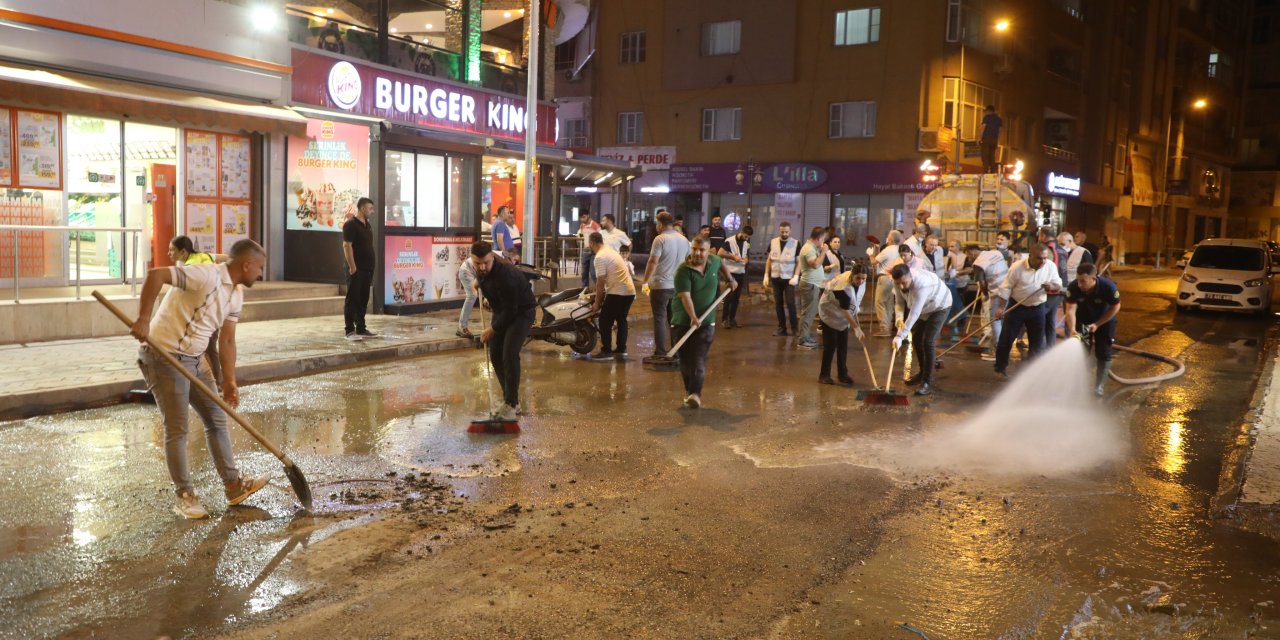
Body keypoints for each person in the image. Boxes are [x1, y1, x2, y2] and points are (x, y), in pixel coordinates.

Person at [131, 239, 270, 519]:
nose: (261, 273)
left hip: (196, 360)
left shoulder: (236, 294)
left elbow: (227, 340)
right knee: (178, 427)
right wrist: (144, 319)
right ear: (246, 264)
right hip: (163, 355)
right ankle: (185, 496)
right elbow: (157, 275)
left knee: (216, 418)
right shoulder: (205, 275)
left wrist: (229, 381)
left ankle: (233, 486)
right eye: (259, 267)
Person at [472, 240, 537, 420]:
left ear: (492, 257)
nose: (482, 266)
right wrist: (479, 284)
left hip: (521, 312)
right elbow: (484, 280)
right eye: (478, 263)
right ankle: (511, 400)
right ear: (473, 260)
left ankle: (510, 403)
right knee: (495, 355)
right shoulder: (481, 270)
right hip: (501, 310)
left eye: (486, 262)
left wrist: (491, 330)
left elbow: (511, 312)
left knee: (509, 353)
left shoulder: (507, 275)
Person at [671, 235, 737, 409]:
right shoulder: (682, 271)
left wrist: (730, 279)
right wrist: (693, 317)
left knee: (698, 358)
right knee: (685, 360)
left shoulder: (714, 260)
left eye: (702, 250)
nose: (697, 253)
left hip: (706, 322)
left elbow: (721, 263)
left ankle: (695, 394)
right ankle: (689, 392)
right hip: (682, 321)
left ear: (709, 251)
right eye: (694, 249)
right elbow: (685, 297)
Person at [992, 243, 1063, 380]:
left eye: (1044, 258)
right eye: (1039, 258)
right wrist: (1001, 307)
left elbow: (1058, 283)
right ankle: (1000, 368)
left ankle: (1033, 372)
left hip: (1038, 307)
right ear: (1030, 256)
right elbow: (1006, 288)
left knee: (1037, 342)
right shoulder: (1017, 267)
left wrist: (1051, 286)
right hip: (1017, 306)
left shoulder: (1050, 266)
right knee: (1006, 339)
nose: (1042, 261)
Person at [167, 236, 229, 386]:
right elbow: (227, 257)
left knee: (204, 349)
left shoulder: (190, 267)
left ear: (182, 252)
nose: (168, 254)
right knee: (210, 348)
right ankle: (216, 381)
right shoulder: (203, 256)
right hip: (215, 309)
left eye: (171, 250)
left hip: (205, 314)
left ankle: (214, 383)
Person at [891, 263, 953, 396]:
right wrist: (899, 318)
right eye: (898, 283)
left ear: (910, 277)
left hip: (939, 306)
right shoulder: (897, 282)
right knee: (917, 339)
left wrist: (900, 336)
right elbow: (899, 303)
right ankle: (922, 372)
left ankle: (927, 381)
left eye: (904, 283)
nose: (901, 286)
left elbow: (914, 313)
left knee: (928, 341)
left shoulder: (922, 284)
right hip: (923, 308)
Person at [1064, 262, 1122, 396]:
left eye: (1083, 281)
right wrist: (1072, 329)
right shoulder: (1074, 287)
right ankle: (1079, 384)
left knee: (1103, 352)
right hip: (1083, 321)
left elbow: (1115, 307)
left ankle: (1099, 386)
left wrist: (1097, 324)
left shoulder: (1108, 287)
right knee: (1081, 352)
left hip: (1105, 321)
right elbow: (1070, 309)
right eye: (1078, 280)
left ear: (1093, 279)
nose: (1079, 284)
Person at [642, 211, 690, 356]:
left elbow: (653, 261)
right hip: (677, 286)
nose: (656, 226)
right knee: (674, 320)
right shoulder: (684, 240)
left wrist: (645, 281)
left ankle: (661, 351)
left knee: (659, 319)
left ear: (661, 224)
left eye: (657, 223)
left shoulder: (660, 239)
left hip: (660, 286)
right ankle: (676, 350)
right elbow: (689, 263)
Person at [589, 231, 636, 361]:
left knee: (605, 319)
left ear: (592, 243)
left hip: (618, 292)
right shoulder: (611, 251)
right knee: (621, 319)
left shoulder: (600, 257)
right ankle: (621, 349)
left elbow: (600, 282)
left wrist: (597, 303)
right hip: (630, 291)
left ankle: (606, 351)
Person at [817, 265, 868, 386]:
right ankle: (824, 375)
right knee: (830, 346)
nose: (861, 281)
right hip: (830, 313)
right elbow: (845, 310)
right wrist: (856, 328)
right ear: (852, 275)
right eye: (858, 278)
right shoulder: (842, 286)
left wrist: (856, 319)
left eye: (863, 279)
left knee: (843, 346)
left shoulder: (860, 282)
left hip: (843, 317)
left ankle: (842, 374)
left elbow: (853, 303)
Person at [343, 197, 377, 341]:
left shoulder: (367, 225)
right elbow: (346, 246)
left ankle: (361, 328)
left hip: (368, 269)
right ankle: (350, 330)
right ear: (362, 209)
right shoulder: (351, 225)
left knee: (363, 299)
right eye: (370, 208)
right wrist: (352, 267)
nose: (372, 211)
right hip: (357, 269)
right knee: (353, 299)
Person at [795, 226, 831, 349]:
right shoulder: (808, 249)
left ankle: (806, 335)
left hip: (813, 285)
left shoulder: (812, 247)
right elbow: (815, 264)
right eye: (823, 239)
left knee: (810, 313)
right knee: (807, 313)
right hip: (809, 285)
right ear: (819, 238)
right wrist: (824, 251)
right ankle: (802, 339)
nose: (824, 242)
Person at [763, 221, 800, 337]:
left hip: (789, 279)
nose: (784, 233)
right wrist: (766, 274)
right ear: (779, 230)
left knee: (790, 303)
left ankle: (795, 329)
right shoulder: (773, 242)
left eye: (786, 232)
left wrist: (796, 276)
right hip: (775, 278)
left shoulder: (795, 243)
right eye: (782, 231)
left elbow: (799, 262)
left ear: (790, 231)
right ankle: (781, 328)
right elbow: (769, 260)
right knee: (778, 304)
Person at [718, 225, 752, 328]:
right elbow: (720, 253)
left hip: (741, 272)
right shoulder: (730, 241)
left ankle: (732, 320)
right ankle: (724, 320)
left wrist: (746, 260)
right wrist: (733, 257)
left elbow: (745, 256)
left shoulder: (746, 243)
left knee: (736, 297)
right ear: (741, 232)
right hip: (730, 272)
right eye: (745, 236)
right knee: (729, 297)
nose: (746, 239)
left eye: (748, 237)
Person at [872, 229, 905, 336]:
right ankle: (888, 327)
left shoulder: (888, 249)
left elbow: (874, 262)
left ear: (890, 239)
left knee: (880, 302)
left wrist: (869, 254)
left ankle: (884, 328)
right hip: (894, 279)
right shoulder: (900, 249)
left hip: (885, 278)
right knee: (890, 303)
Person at [456, 255, 479, 338]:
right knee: (472, 295)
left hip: (474, 271)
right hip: (467, 270)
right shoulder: (499, 259)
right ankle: (462, 327)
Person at [577, 211, 601, 287]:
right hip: (585, 250)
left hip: (594, 251)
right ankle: (585, 289)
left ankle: (599, 289)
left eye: (583, 217)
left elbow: (601, 237)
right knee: (584, 272)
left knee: (593, 272)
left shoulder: (595, 225)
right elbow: (580, 235)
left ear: (588, 215)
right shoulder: (582, 226)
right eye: (581, 217)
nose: (582, 219)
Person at [979, 105, 1003, 173]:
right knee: (992, 157)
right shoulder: (999, 119)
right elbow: (1000, 131)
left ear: (988, 111)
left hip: (987, 139)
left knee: (985, 156)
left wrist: (979, 138)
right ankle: (993, 171)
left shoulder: (987, 117)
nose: (985, 113)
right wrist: (997, 142)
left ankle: (985, 172)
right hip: (994, 140)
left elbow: (983, 127)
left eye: (986, 111)